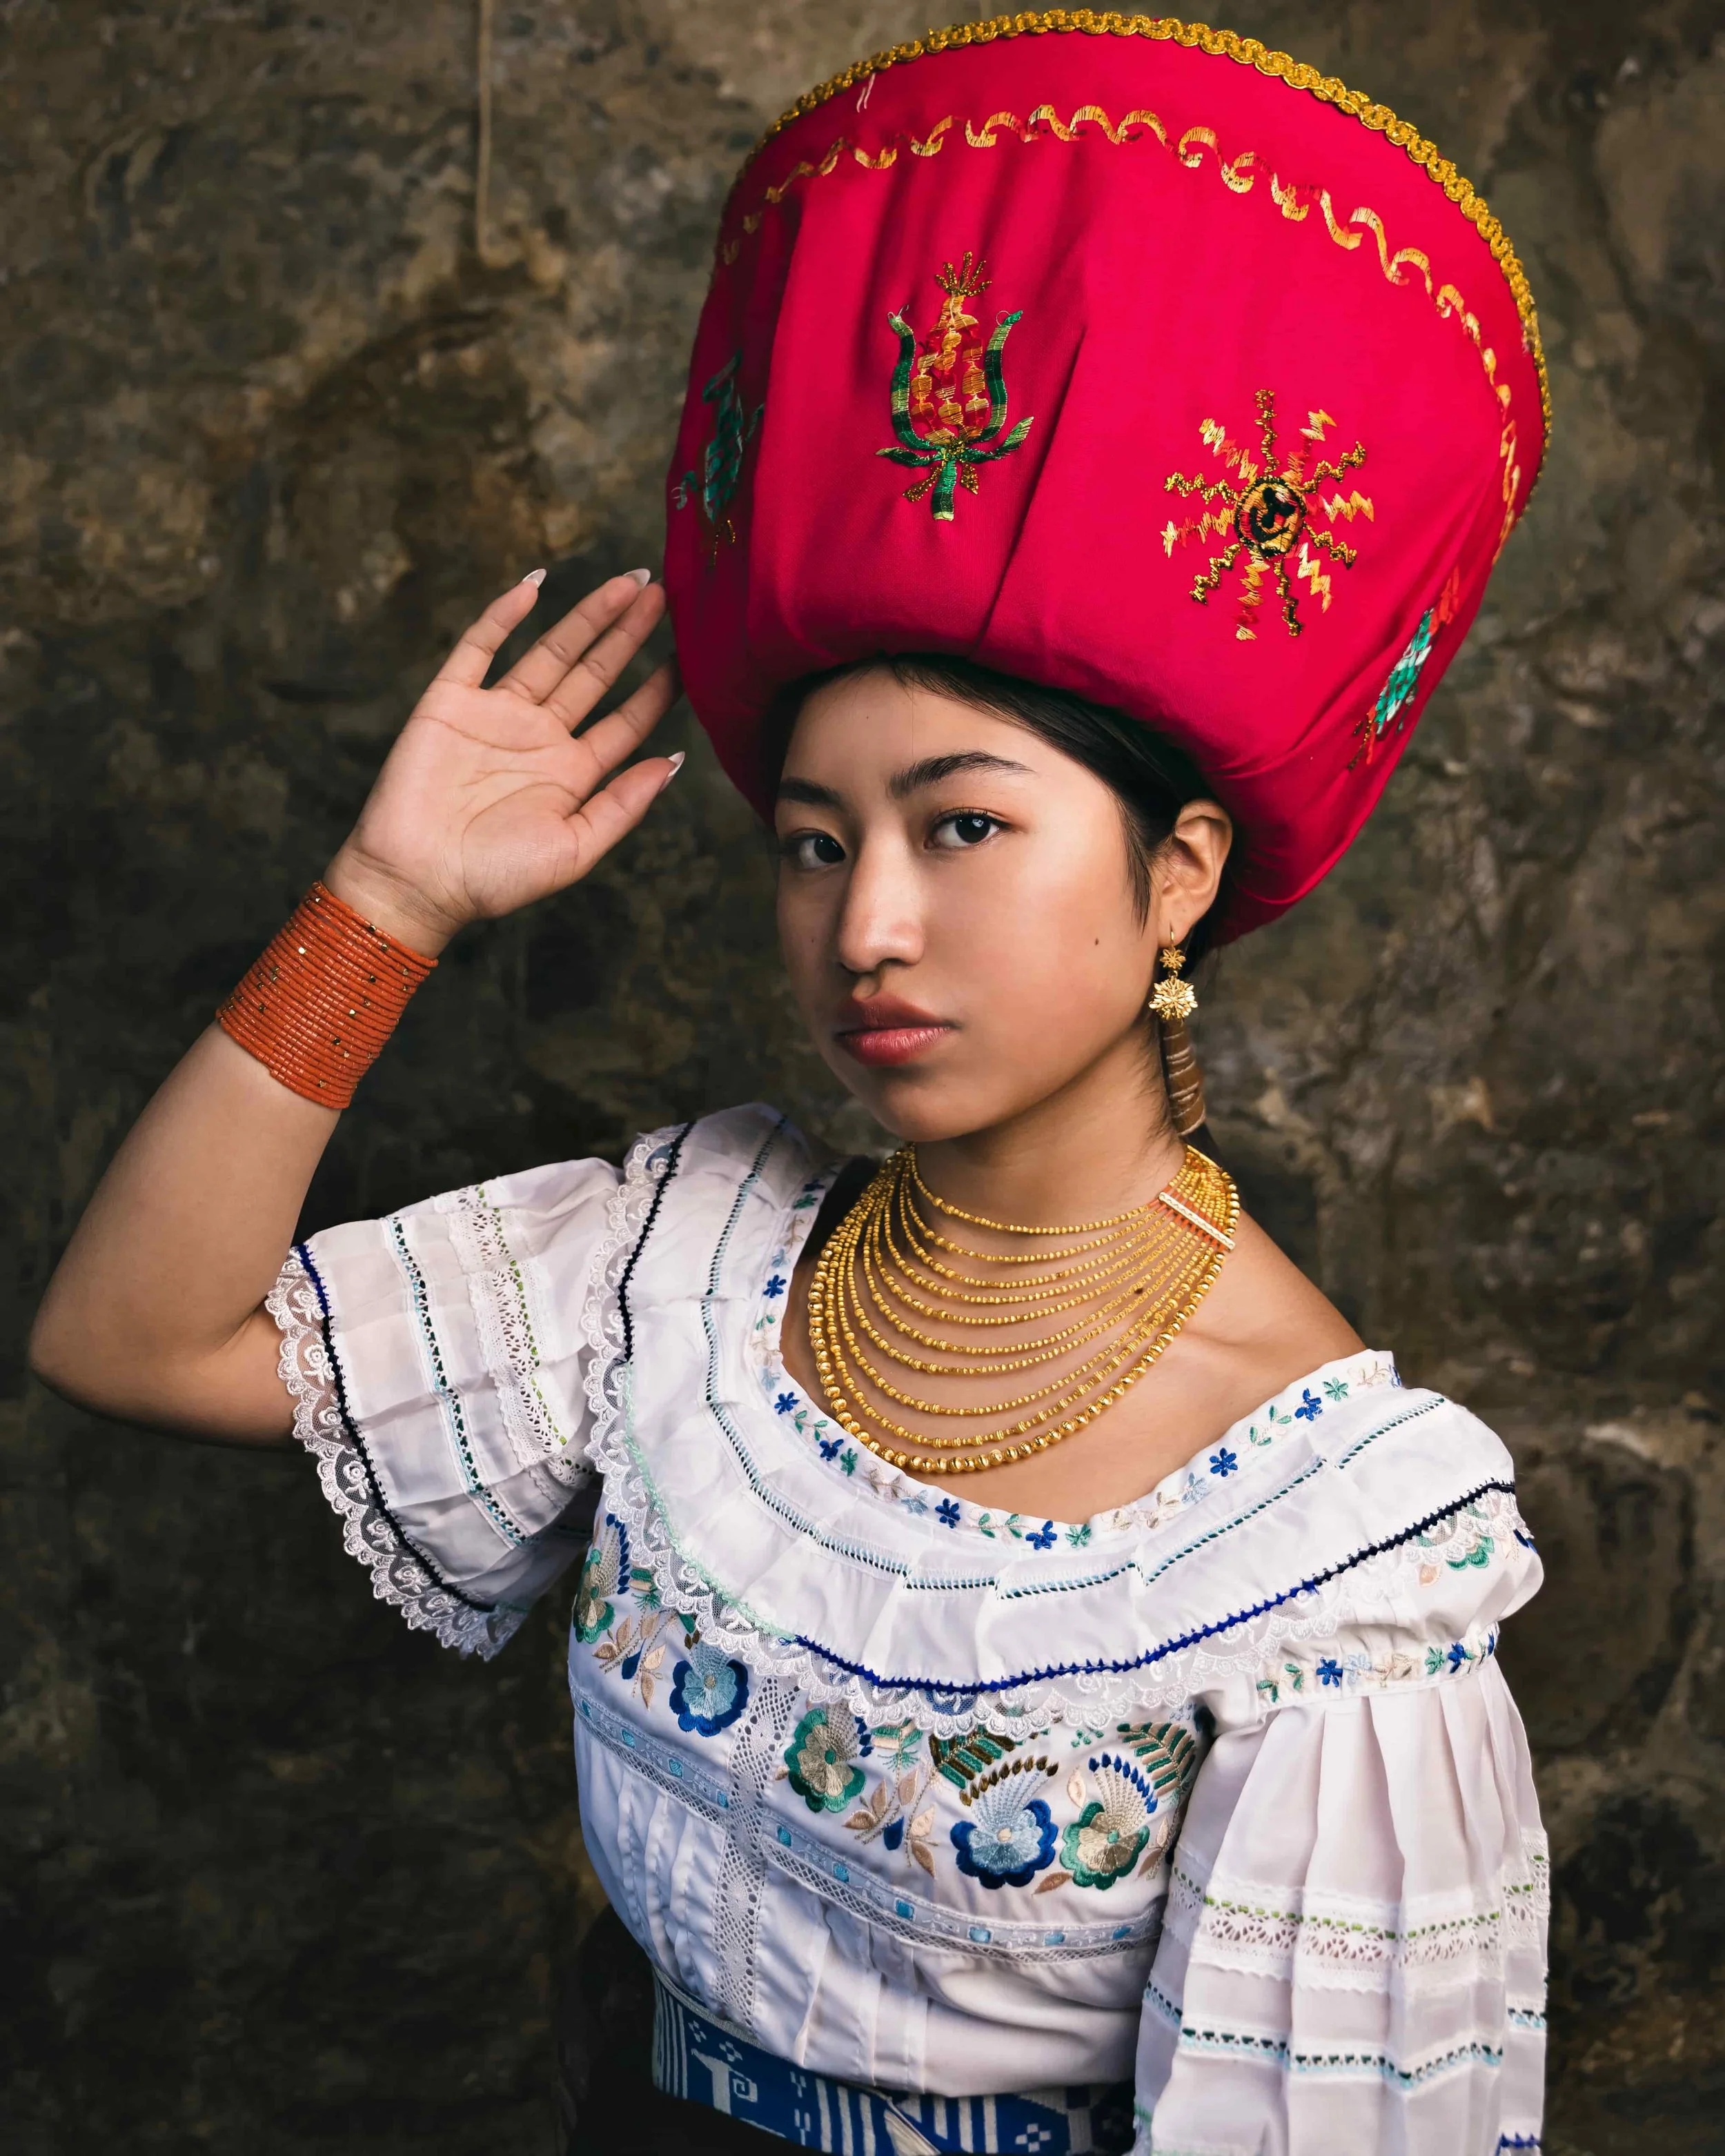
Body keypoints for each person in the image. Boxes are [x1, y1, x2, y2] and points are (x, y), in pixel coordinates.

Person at [30, 15, 1552, 2155]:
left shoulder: (1325, 1556)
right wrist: (387, 894)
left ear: (1176, 870)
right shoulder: (691, 1258)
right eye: (813, 841)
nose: (864, 929)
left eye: (963, 826)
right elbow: (127, 1334)